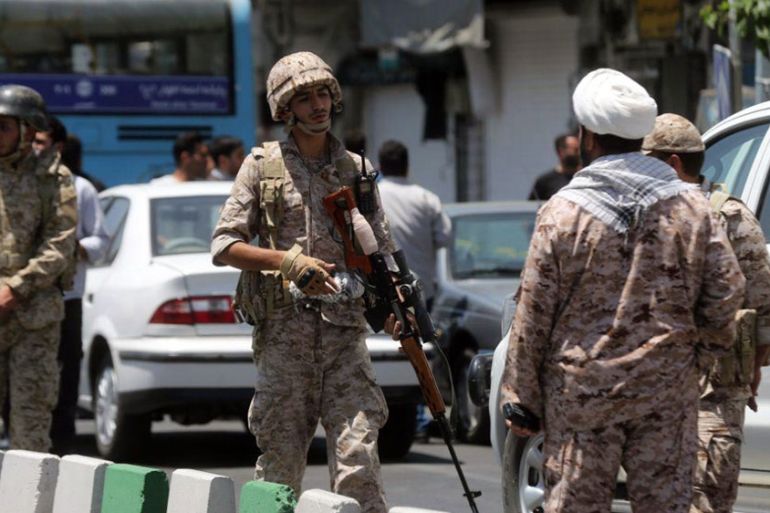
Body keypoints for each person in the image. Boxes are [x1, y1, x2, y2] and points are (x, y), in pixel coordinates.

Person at [500, 69, 746, 513]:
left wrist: (521, 398)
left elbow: (533, 312)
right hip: (666, 395)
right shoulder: (692, 208)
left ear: (589, 137)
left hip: (582, 400)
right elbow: (727, 290)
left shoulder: (563, 212)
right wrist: (697, 354)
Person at [211, 51, 394, 513]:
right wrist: (288, 262)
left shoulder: (356, 170)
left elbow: (381, 255)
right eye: (305, 97)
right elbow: (224, 245)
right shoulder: (262, 166)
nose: (318, 106)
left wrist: (397, 308)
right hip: (284, 342)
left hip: (344, 341)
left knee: (359, 465)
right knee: (279, 472)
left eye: (323, 94)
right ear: (285, 108)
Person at [642, 113, 770, 513]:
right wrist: (752, 368)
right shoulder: (650, 213)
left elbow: (762, 307)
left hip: (707, 396)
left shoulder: (726, 218)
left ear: (672, 164)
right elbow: (764, 309)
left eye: (647, 161)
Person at [0, 84, 78, 452]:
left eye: (3, 127)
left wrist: (16, 288)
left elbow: (60, 243)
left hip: (34, 319)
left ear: (28, 130)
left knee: (30, 427)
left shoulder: (53, 177)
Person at [34, 117, 111, 455]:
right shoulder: (15, 184)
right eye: (31, 140)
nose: (34, 148)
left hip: (67, 295)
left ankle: (62, 442)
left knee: (65, 369)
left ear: (58, 146)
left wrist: (73, 247)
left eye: (41, 141)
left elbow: (100, 240)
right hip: (21, 298)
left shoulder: (80, 189)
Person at [376, 139, 451, 443]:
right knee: (418, 352)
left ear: (381, 166)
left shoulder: (374, 196)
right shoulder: (426, 198)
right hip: (419, 291)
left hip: (380, 290)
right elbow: (444, 236)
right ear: (407, 165)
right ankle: (422, 416)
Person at [528, 133, 580, 200]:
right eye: (575, 150)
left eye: (580, 150)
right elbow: (532, 205)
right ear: (560, 151)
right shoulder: (545, 181)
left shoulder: (585, 178)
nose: (579, 154)